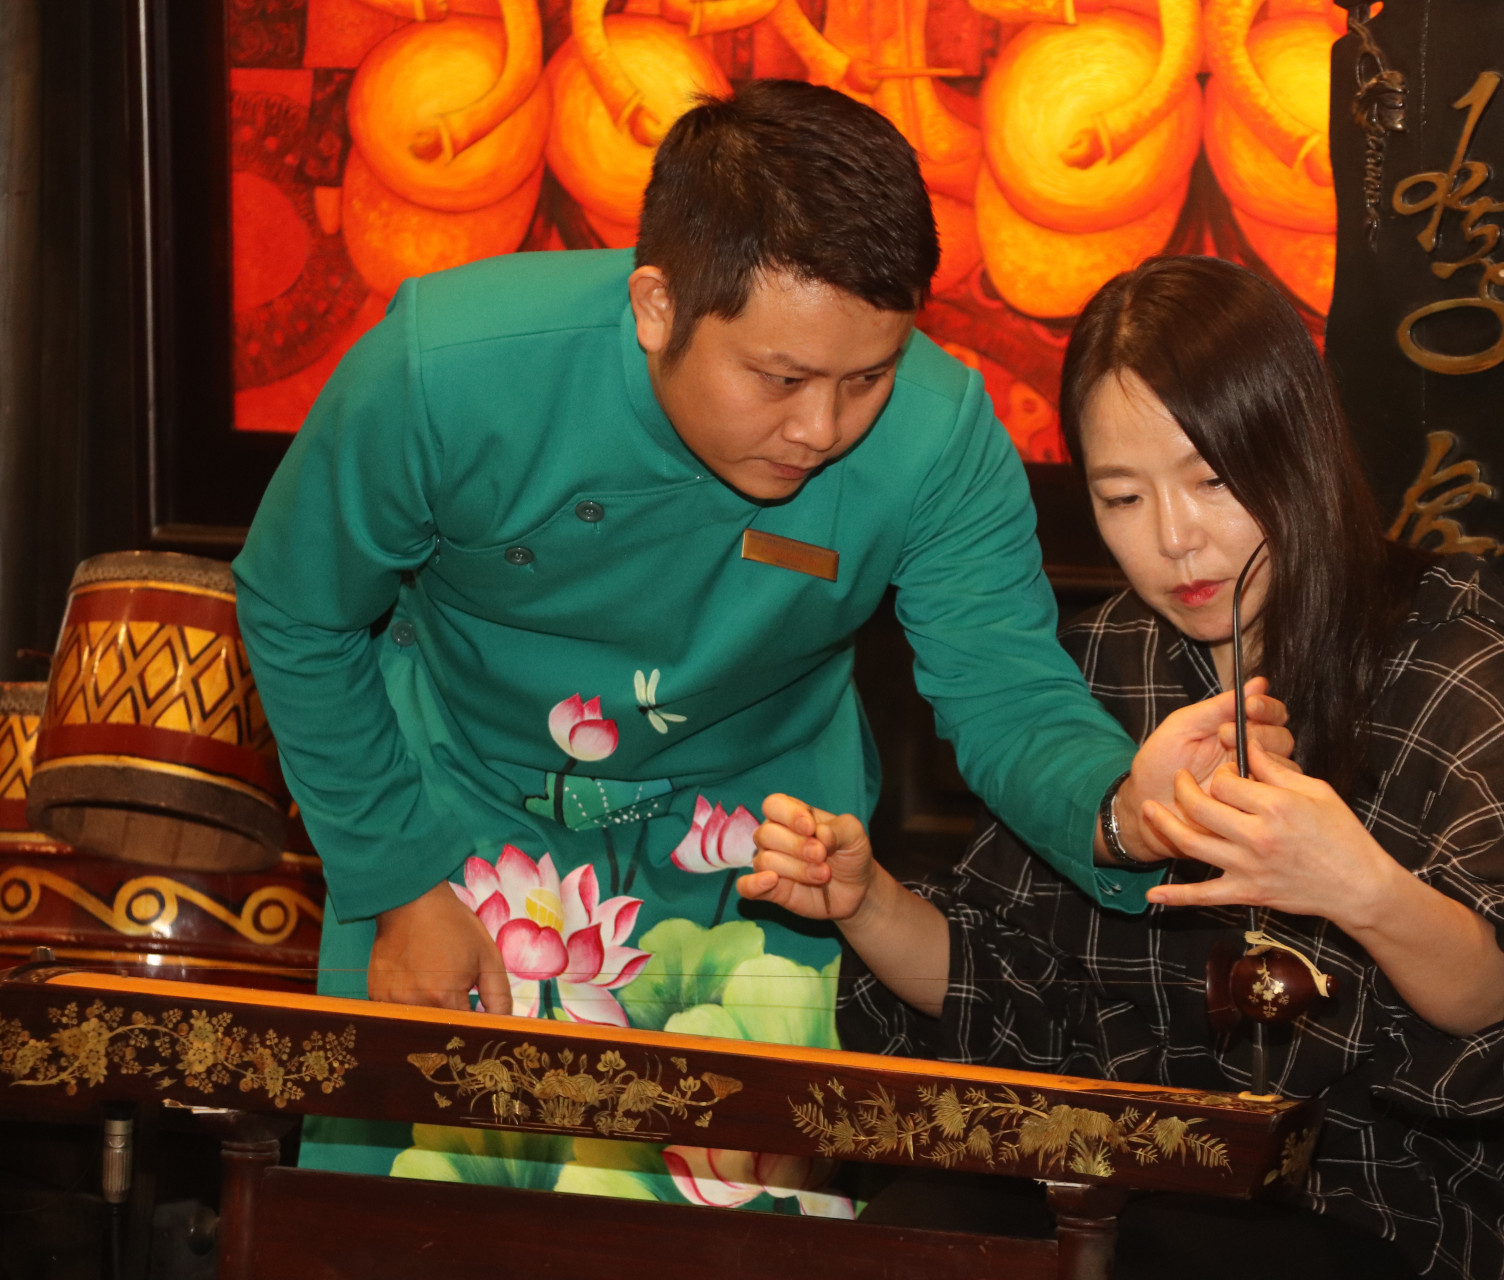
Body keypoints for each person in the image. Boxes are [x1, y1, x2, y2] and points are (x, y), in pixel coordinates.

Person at [231, 87, 1282, 1208]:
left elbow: (1007, 691)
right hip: (453, 809)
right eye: (779, 379)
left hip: (763, 845)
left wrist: (1125, 805)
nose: (821, 429)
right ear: (655, 306)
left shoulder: (939, 432)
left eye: (866, 375)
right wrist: (399, 881)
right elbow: (299, 609)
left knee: (740, 1222)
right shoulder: (446, 369)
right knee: (413, 1207)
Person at [745, 255, 1504, 1276]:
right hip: (1121, 1173)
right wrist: (866, 900)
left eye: (1211, 480)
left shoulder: (1451, 650)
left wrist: (1365, 889)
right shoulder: (1103, 661)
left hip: (1374, 1199)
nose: (1175, 540)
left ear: (1298, 449)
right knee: (905, 1236)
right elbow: (1016, 984)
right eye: (1122, 496)